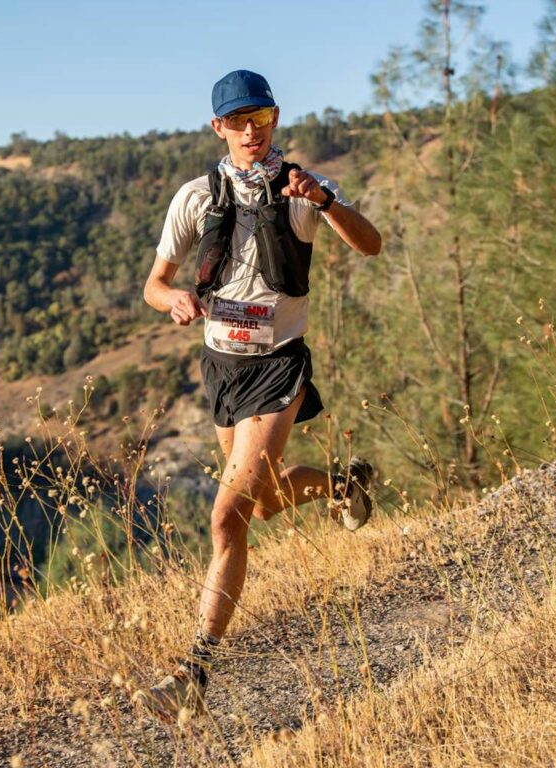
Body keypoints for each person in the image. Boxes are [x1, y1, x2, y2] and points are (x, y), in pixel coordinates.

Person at [134, 70, 382, 722]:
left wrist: (326, 203)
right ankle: (340, 484)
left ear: (274, 118)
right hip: (222, 369)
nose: (252, 129)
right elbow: (154, 285)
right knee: (264, 506)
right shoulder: (196, 198)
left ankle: (193, 672)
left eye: (262, 117)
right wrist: (177, 298)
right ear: (219, 128)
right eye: (238, 121)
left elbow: (371, 244)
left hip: (279, 370)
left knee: (225, 519)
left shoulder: (304, 190)